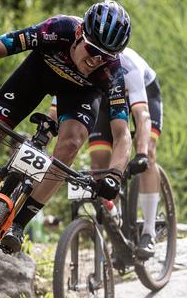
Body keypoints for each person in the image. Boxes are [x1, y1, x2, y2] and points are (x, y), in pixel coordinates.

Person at [0, 0, 133, 254]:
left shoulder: (112, 71)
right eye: (92, 49)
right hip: (37, 75)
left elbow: (122, 134)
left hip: (81, 95)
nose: (96, 60)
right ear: (79, 33)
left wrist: (114, 176)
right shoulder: (57, 29)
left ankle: (18, 225)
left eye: (105, 56)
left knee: (70, 145)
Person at [51, 46, 163, 259]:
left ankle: (149, 232)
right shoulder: (79, 63)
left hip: (142, 95)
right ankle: (115, 220)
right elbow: (56, 111)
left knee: (148, 154)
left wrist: (140, 154)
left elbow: (142, 116)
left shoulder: (127, 65)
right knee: (99, 164)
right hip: (106, 98)